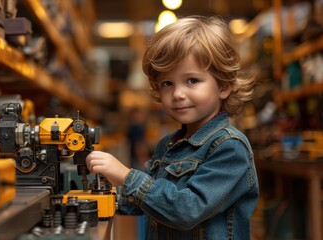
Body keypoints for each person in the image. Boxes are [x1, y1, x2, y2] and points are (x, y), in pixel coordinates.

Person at [86, 15, 259, 239]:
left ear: (223, 87)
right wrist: (96, 198)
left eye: (192, 81)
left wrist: (127, 177)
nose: (177, 94)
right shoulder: (167, 145)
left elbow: (187, 209)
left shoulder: (230, 148)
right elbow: (143, 203)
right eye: (167, 83)